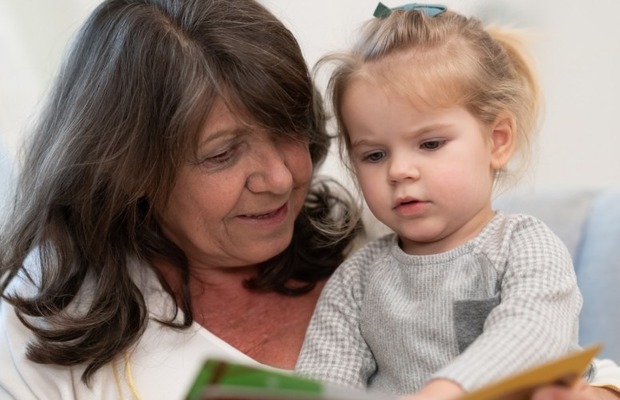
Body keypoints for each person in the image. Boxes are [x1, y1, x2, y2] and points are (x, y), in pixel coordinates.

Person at [0, 1, 618, 399]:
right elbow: (328, 382)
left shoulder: (371, 240)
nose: (279, 177)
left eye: (290, 132)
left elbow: (547, 336)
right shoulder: (37, 325)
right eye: (222, 154)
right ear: (130, 169)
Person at [295, 3, 620, 400]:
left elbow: (533, 332)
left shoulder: (524, 246)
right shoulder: (355, 282)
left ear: (497, 141)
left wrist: (447, 390)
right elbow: (325, 383)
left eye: (430, 144)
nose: (399, 171)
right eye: (374, 155)